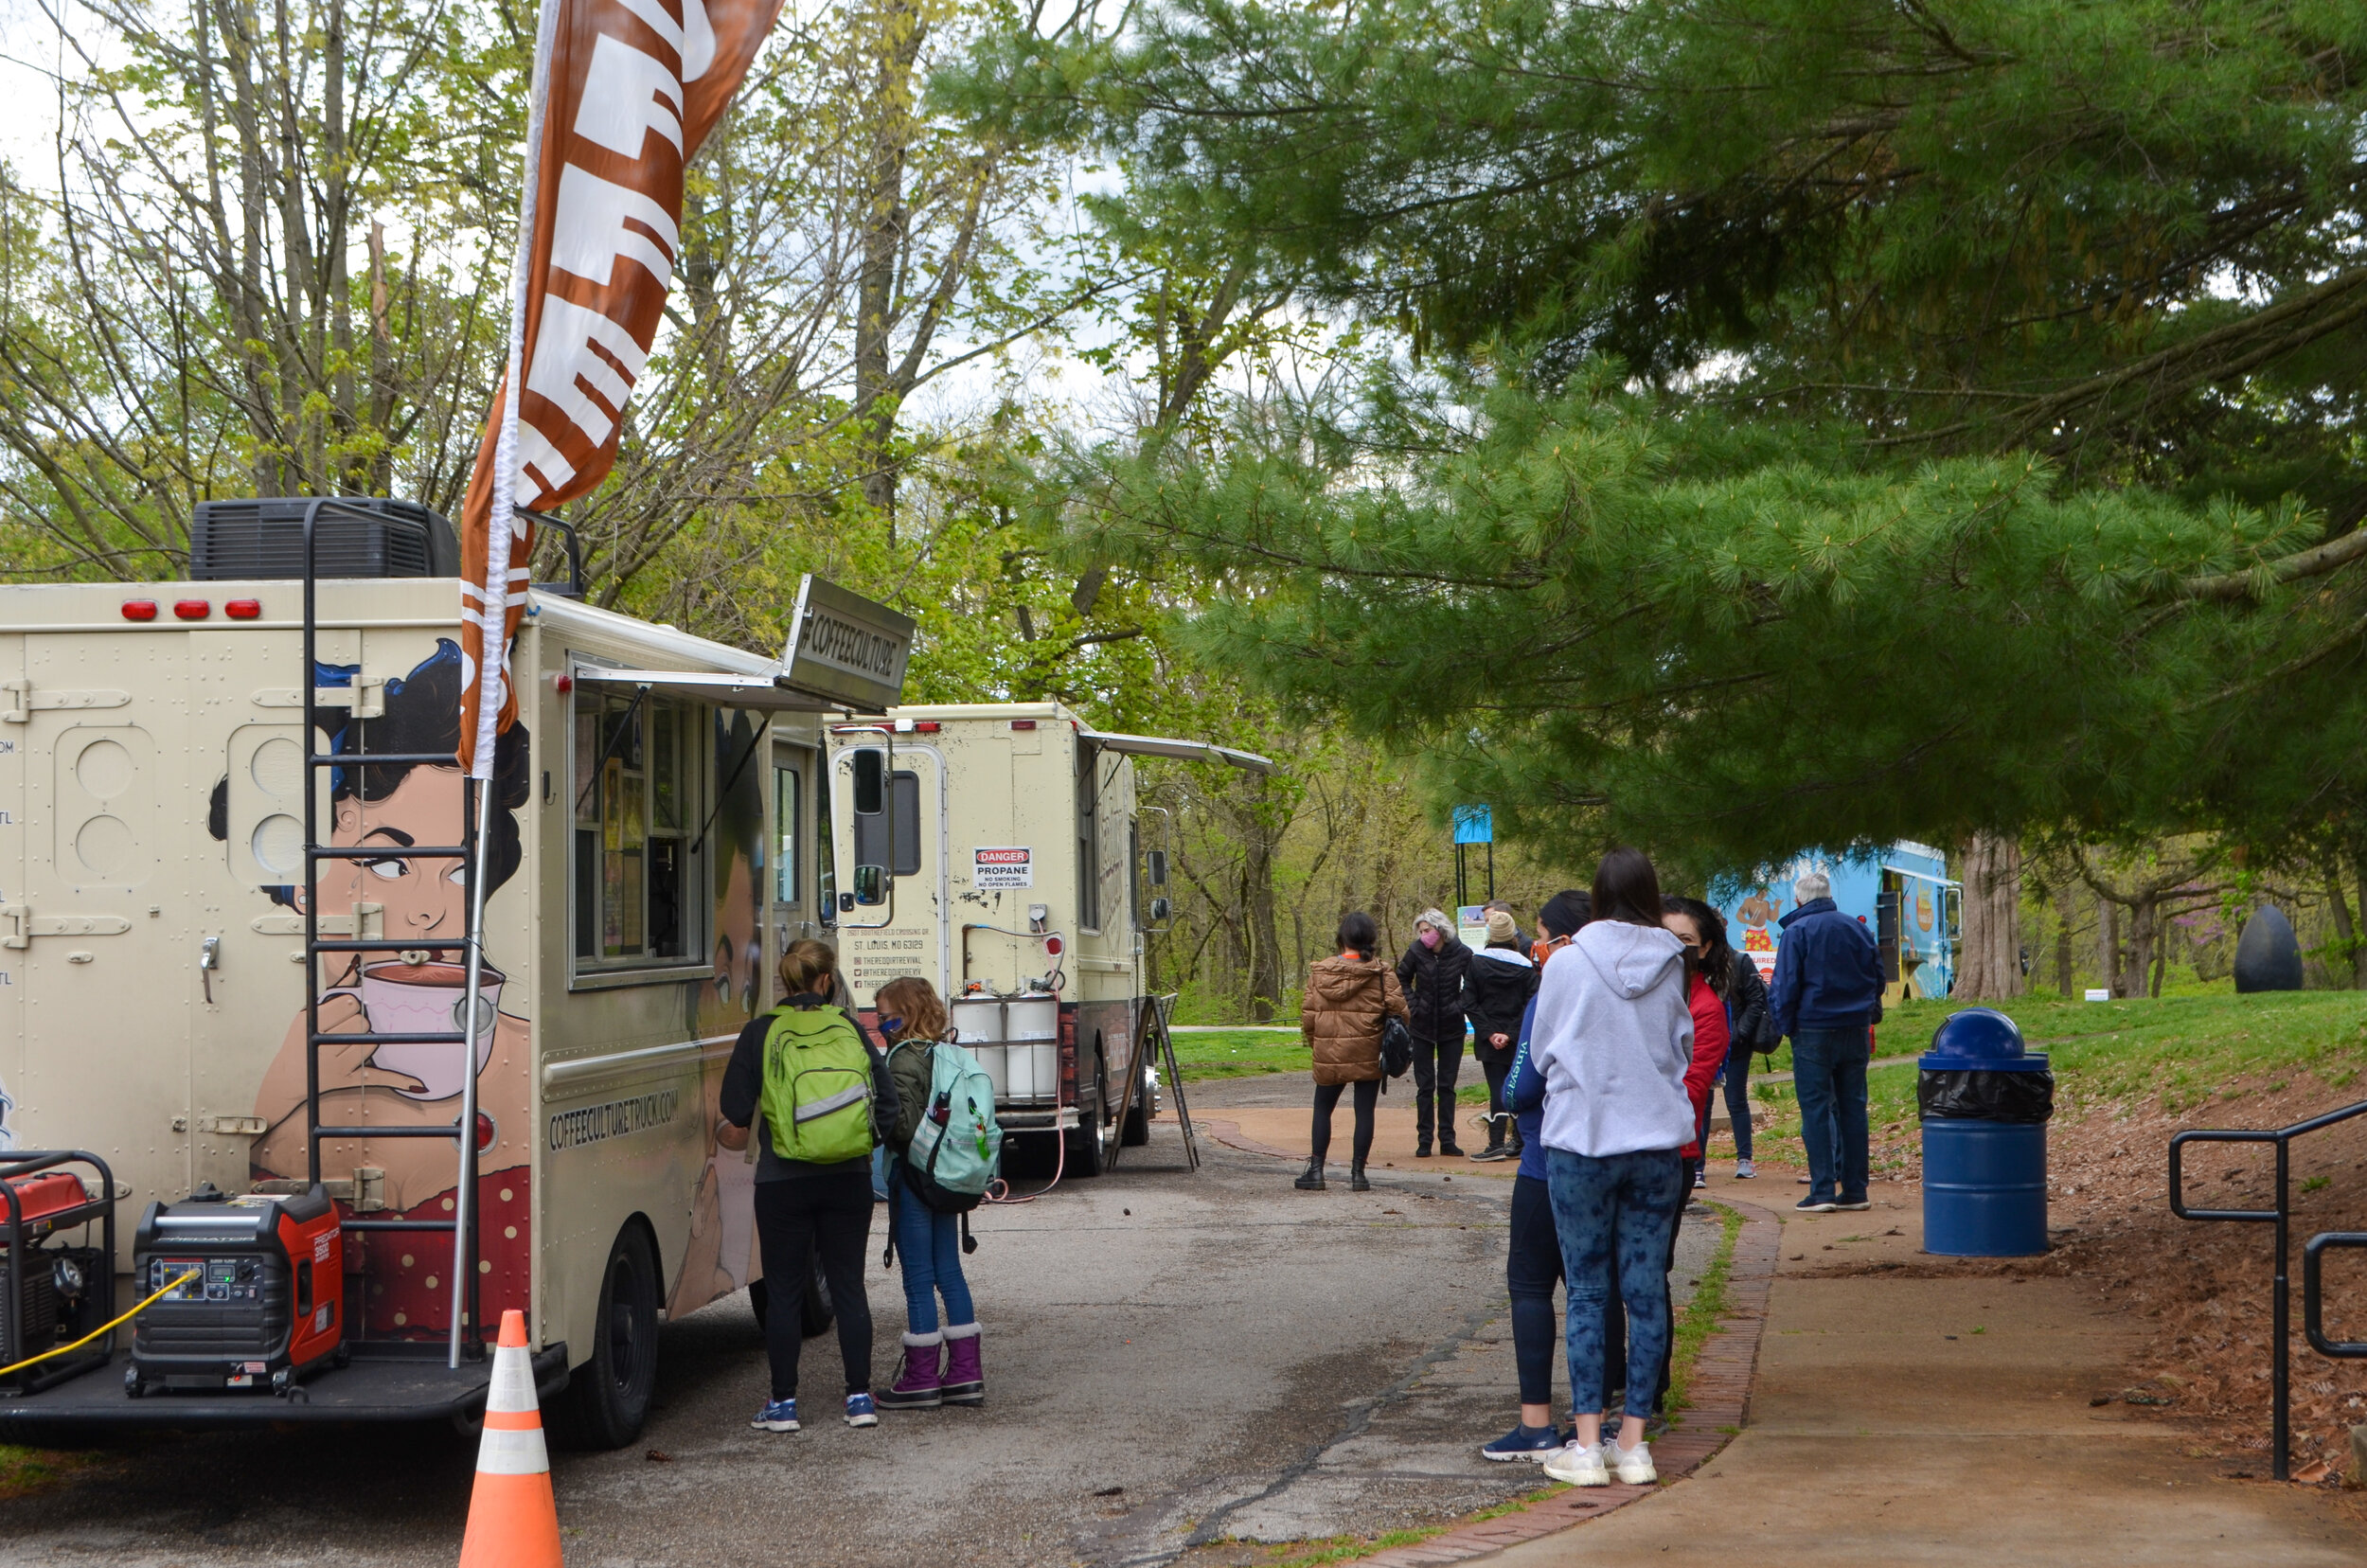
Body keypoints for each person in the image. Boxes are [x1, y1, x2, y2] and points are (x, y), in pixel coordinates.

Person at [1531, 849, 1696, 1489]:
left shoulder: (1567, 962)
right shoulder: (1673, 962)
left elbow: (1544, 1049)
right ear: (1652, 896)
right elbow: (1680, 1045)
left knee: (1589, 1292)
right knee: (1646, 1289)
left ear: (1596, 896)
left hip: (1583, 1141)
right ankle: (1635, 1445)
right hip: (1657, 1144)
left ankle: (1588, 1443)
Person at [719, 939, 898, 1434]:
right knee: (847, 1288)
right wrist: (860, 1143)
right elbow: (888, 1105)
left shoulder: (761, 1032)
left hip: (783, 1182)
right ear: (827, 980)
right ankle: (859, 1399)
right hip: (849, 1178)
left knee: (784, 1292)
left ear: (786, 981)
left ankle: (783, 1405)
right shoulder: (849, 1030)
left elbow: (735, 1111)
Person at [1483, 889, 1588, 1461]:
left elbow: (1519, 1085)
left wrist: (1511, 1100)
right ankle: (1603, 1420)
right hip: (1617, 1161)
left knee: (1529, 1286)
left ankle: (1536, 1424)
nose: (1536, 947)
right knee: (1597, 1292)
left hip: (1547, 1163)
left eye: (1543, 935)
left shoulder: (1547, 996)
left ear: (1562, 938)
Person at [872, 975, 986, 1411]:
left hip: (914, 1180)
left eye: (885, 1016)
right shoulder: (948, 1054)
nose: (881, 1024)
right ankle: (964, 1374)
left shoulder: (903, 1060)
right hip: (948, 1179)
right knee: (950, 1273)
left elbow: (900, 1126)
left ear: (906, 1016)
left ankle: (921, 1378)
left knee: (918, 1279)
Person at [1770, 869, 1885, 1214]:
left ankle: (1821, 1190)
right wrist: (1868, 1012)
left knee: (1816, 1109)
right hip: (1854, 1028)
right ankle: (1855, 1190)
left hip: (1813, 1029)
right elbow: (1878, 977)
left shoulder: (1796, 932)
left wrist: (1785, 1026)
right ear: (1829, 894)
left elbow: (1785, 986)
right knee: (1853, 1108)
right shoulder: (1857, 927)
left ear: (1799, 899)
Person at [1298, 912, 1410, 1192]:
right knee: (1364, 1112)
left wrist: (1318, 1044)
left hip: (1329, 1051)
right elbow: (1400, 1013)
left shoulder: (1320, 971)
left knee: (1322, 1109)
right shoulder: (1381, 971)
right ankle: (1358, 1174)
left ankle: (1316, 1172)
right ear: (1370, 938)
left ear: (1342, 937)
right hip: (1368, 1050)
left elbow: (1308, 1018)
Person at [1662, 898, 1735, 1193]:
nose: (1673, 948)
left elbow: (1690, 1089)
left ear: (1704, 948)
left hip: (1671, 1154)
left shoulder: (1707, 1009)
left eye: (1685, 939)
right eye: (1664, 936)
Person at [1465, 908, 1539, 1163]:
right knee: (1517, 1087)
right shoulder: (1526, 967)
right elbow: (1532, 1004)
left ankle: (1496, 1143)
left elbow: (1470, 1002)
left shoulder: (1476, 963)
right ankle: (1518, 1141)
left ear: (1491, 934)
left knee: (1496, 1088)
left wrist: (1489, 1033)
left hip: (1489, 1039)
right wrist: (1510, 1034)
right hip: (1518, 1038)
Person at [1396, 908, 1472, 1157]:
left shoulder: (1462, 952)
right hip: (1422, 1027)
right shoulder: (1416, 951)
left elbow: (1473, 985)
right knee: (1425, 1086)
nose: (1423, 935)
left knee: (1447, 1086)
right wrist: (1414, 1005)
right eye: (1420, 931)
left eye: (1427, 930)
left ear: (1440, 930)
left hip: (1452, 1027)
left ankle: (1448, 1139)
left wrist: (1458, 1005)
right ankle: (1424, 1140)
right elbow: (1402, 978)